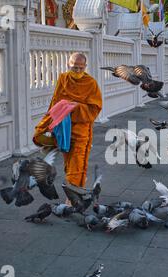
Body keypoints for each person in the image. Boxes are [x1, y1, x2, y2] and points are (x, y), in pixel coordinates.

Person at [33, 53, 102, 203]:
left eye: (80, 68)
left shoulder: (91, 83)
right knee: (68, 163)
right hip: (63, 129)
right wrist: (47, 124)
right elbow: (55, 102)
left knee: (77, 164)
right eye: (74, 67)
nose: (77, 71)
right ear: (68, 65)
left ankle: (72, 199)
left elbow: (95, 109)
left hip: (81, 130)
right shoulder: (63, 78)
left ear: (85, 67)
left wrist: (75, 107)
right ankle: (75, 191)